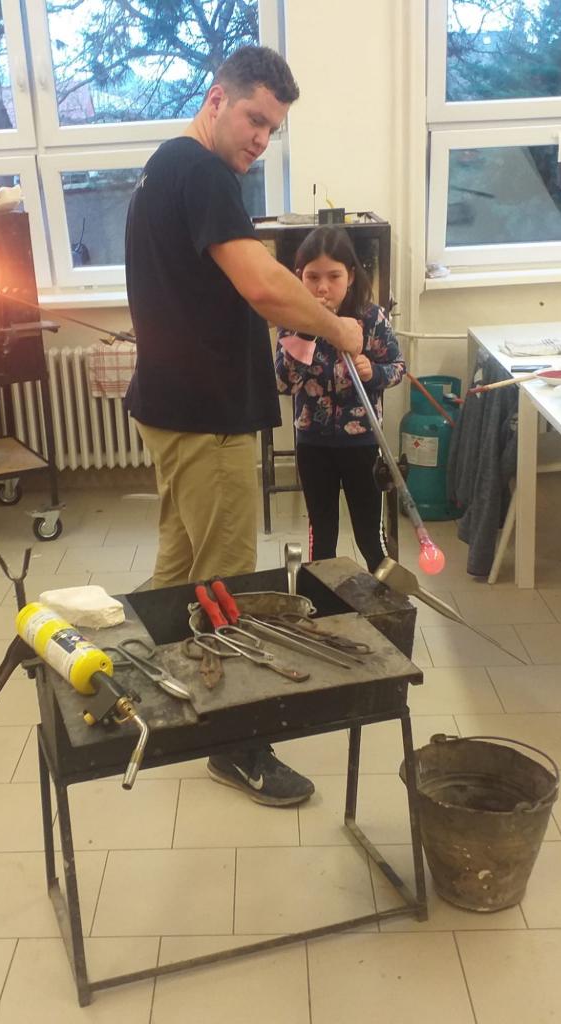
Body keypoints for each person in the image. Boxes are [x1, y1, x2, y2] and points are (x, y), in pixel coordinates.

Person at [124, 46, 364, 807]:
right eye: (255, 118)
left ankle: (157, 684)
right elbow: (261, 285)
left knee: (180, 564)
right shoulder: (202, 173)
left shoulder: (166, 167)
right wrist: (338, 326)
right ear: (216, 99)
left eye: (273, 128)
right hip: (206, 418)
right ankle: (234, 746)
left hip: (173, 409)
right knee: (227, 583)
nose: (261, 138)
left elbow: (236, 283)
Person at [275, 227, 406, 572]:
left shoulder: (371, 318)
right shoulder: (292, 322)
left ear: (350, 275)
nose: (323, 287)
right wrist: (308, 332)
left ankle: (384, 597)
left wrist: (373, 373)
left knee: (369, 537)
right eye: (312, 277)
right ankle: (324, 600)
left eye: (334, 276)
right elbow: (283, 383)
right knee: (322, 537)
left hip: (362, 443)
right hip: (313, 444)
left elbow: (398, 367)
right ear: (298, 276)